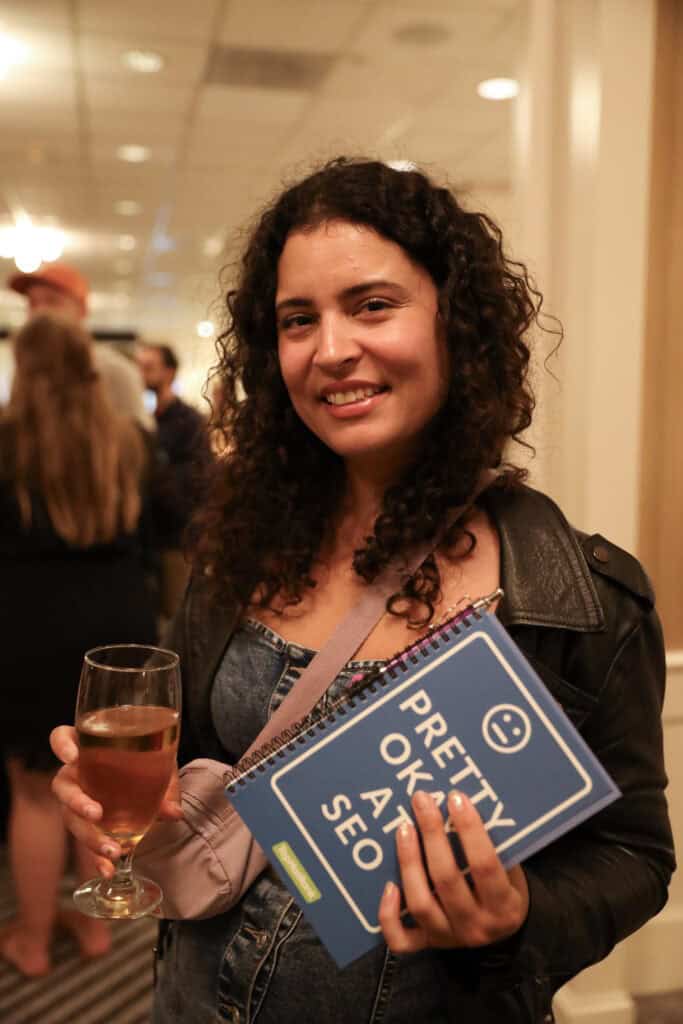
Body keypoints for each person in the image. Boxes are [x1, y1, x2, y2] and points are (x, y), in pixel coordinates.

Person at [50, 158, 674, 1023]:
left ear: (455, 323)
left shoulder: (575, 595)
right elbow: (190, 768)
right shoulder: (243, 548)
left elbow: (633, 857)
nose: (332, 348)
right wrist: (110, 804)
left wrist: (519, 914)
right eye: (298, 319)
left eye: (372, 305)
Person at [0, 313, 158, 977]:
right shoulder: (126, 440)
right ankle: (95, 932)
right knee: (96, 784)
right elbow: (162, 528)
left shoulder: (7, 443)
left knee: (37, 793)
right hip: (118, 629)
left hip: (27, 627)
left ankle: (33, 940)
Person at [8, 261, 152, 430]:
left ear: (82, 309)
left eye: (52, 301)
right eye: (32, 303)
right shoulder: (25, 371)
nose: (39, 312)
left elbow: (139, 448)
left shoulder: (113, 371)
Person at [135, 342, 212, 619]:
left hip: (176, 541)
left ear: (169, 372)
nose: (140, 374)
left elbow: (197, 483)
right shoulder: (148, 421)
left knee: (178, 619)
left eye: (149, 367)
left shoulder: (189, 422)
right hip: (149, 539)